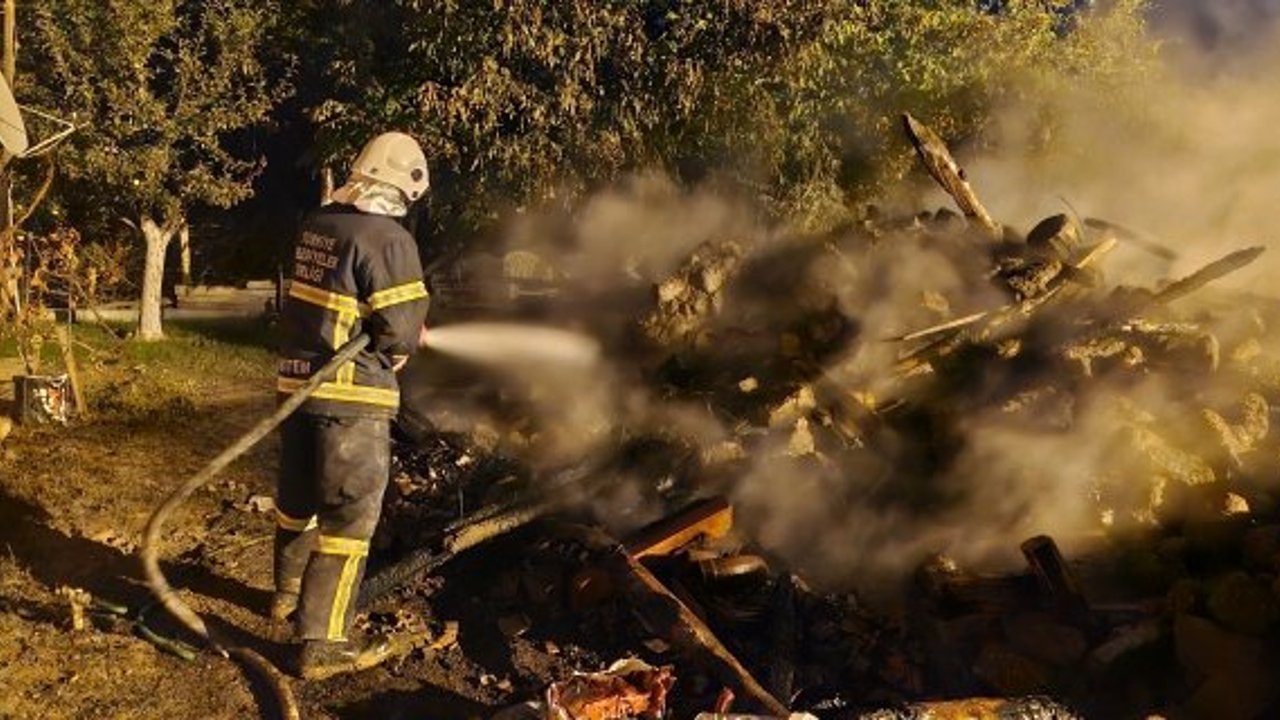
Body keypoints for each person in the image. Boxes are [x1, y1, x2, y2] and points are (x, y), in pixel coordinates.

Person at [272, 131, 431, 680]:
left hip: (296, 389)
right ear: (400, 190)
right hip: (352, 399)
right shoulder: (387, 238)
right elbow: (402, 331)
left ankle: (286, 593)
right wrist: (402, 345)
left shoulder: (318, 224)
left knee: (297, 499)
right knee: (348, 518)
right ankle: (321, 641)